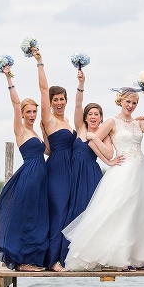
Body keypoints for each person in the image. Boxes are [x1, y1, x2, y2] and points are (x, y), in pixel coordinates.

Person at [63, 88, 144, 271]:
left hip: (141, 169)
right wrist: (108, 160)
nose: (131, 106)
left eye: (134, 103)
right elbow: (92, 141)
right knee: (122, 210)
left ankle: (136, 256)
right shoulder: (111, 122)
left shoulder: (138, 124)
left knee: (140, 212)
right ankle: (119, 258)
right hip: (123, 168)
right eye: (128, 102)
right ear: (121, 102)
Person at [60, 68, 124, 263]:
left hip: (91, 175)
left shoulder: (103, 134)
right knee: (70, 211)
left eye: (97, 114)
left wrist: (110, 161)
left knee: (91, 214)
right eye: (91, 114)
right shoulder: (80, 128)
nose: (93, 117)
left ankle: (92, 256)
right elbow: (78, 105)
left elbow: (109, 153)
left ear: (101, 117)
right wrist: (81, 84)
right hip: (73, 174)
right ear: (86, 117)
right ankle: (66, 255)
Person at [0, 62, 50, 272]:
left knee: (37, 218)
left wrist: (44, 130)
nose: (32, 114)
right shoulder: (20, 131)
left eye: (34, 111)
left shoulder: (35, 131)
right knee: (27, 217)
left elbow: (48, 152)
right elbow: (15, 103)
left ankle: (29, 258)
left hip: (40, 177)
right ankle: (22, 261)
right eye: (29, 112)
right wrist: (9, 78)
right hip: (28, 176)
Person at [32, 48, 75, 271]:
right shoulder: (48, 119)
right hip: (57, 170)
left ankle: (64, 256)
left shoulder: (67, 121)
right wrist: (40, 62)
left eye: (62, 99)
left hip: (71, 168)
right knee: (58, 212)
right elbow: (43, 88)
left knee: (68, 212)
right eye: (55, 99)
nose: (59, 102)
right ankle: (52, 261)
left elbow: (47, 149)